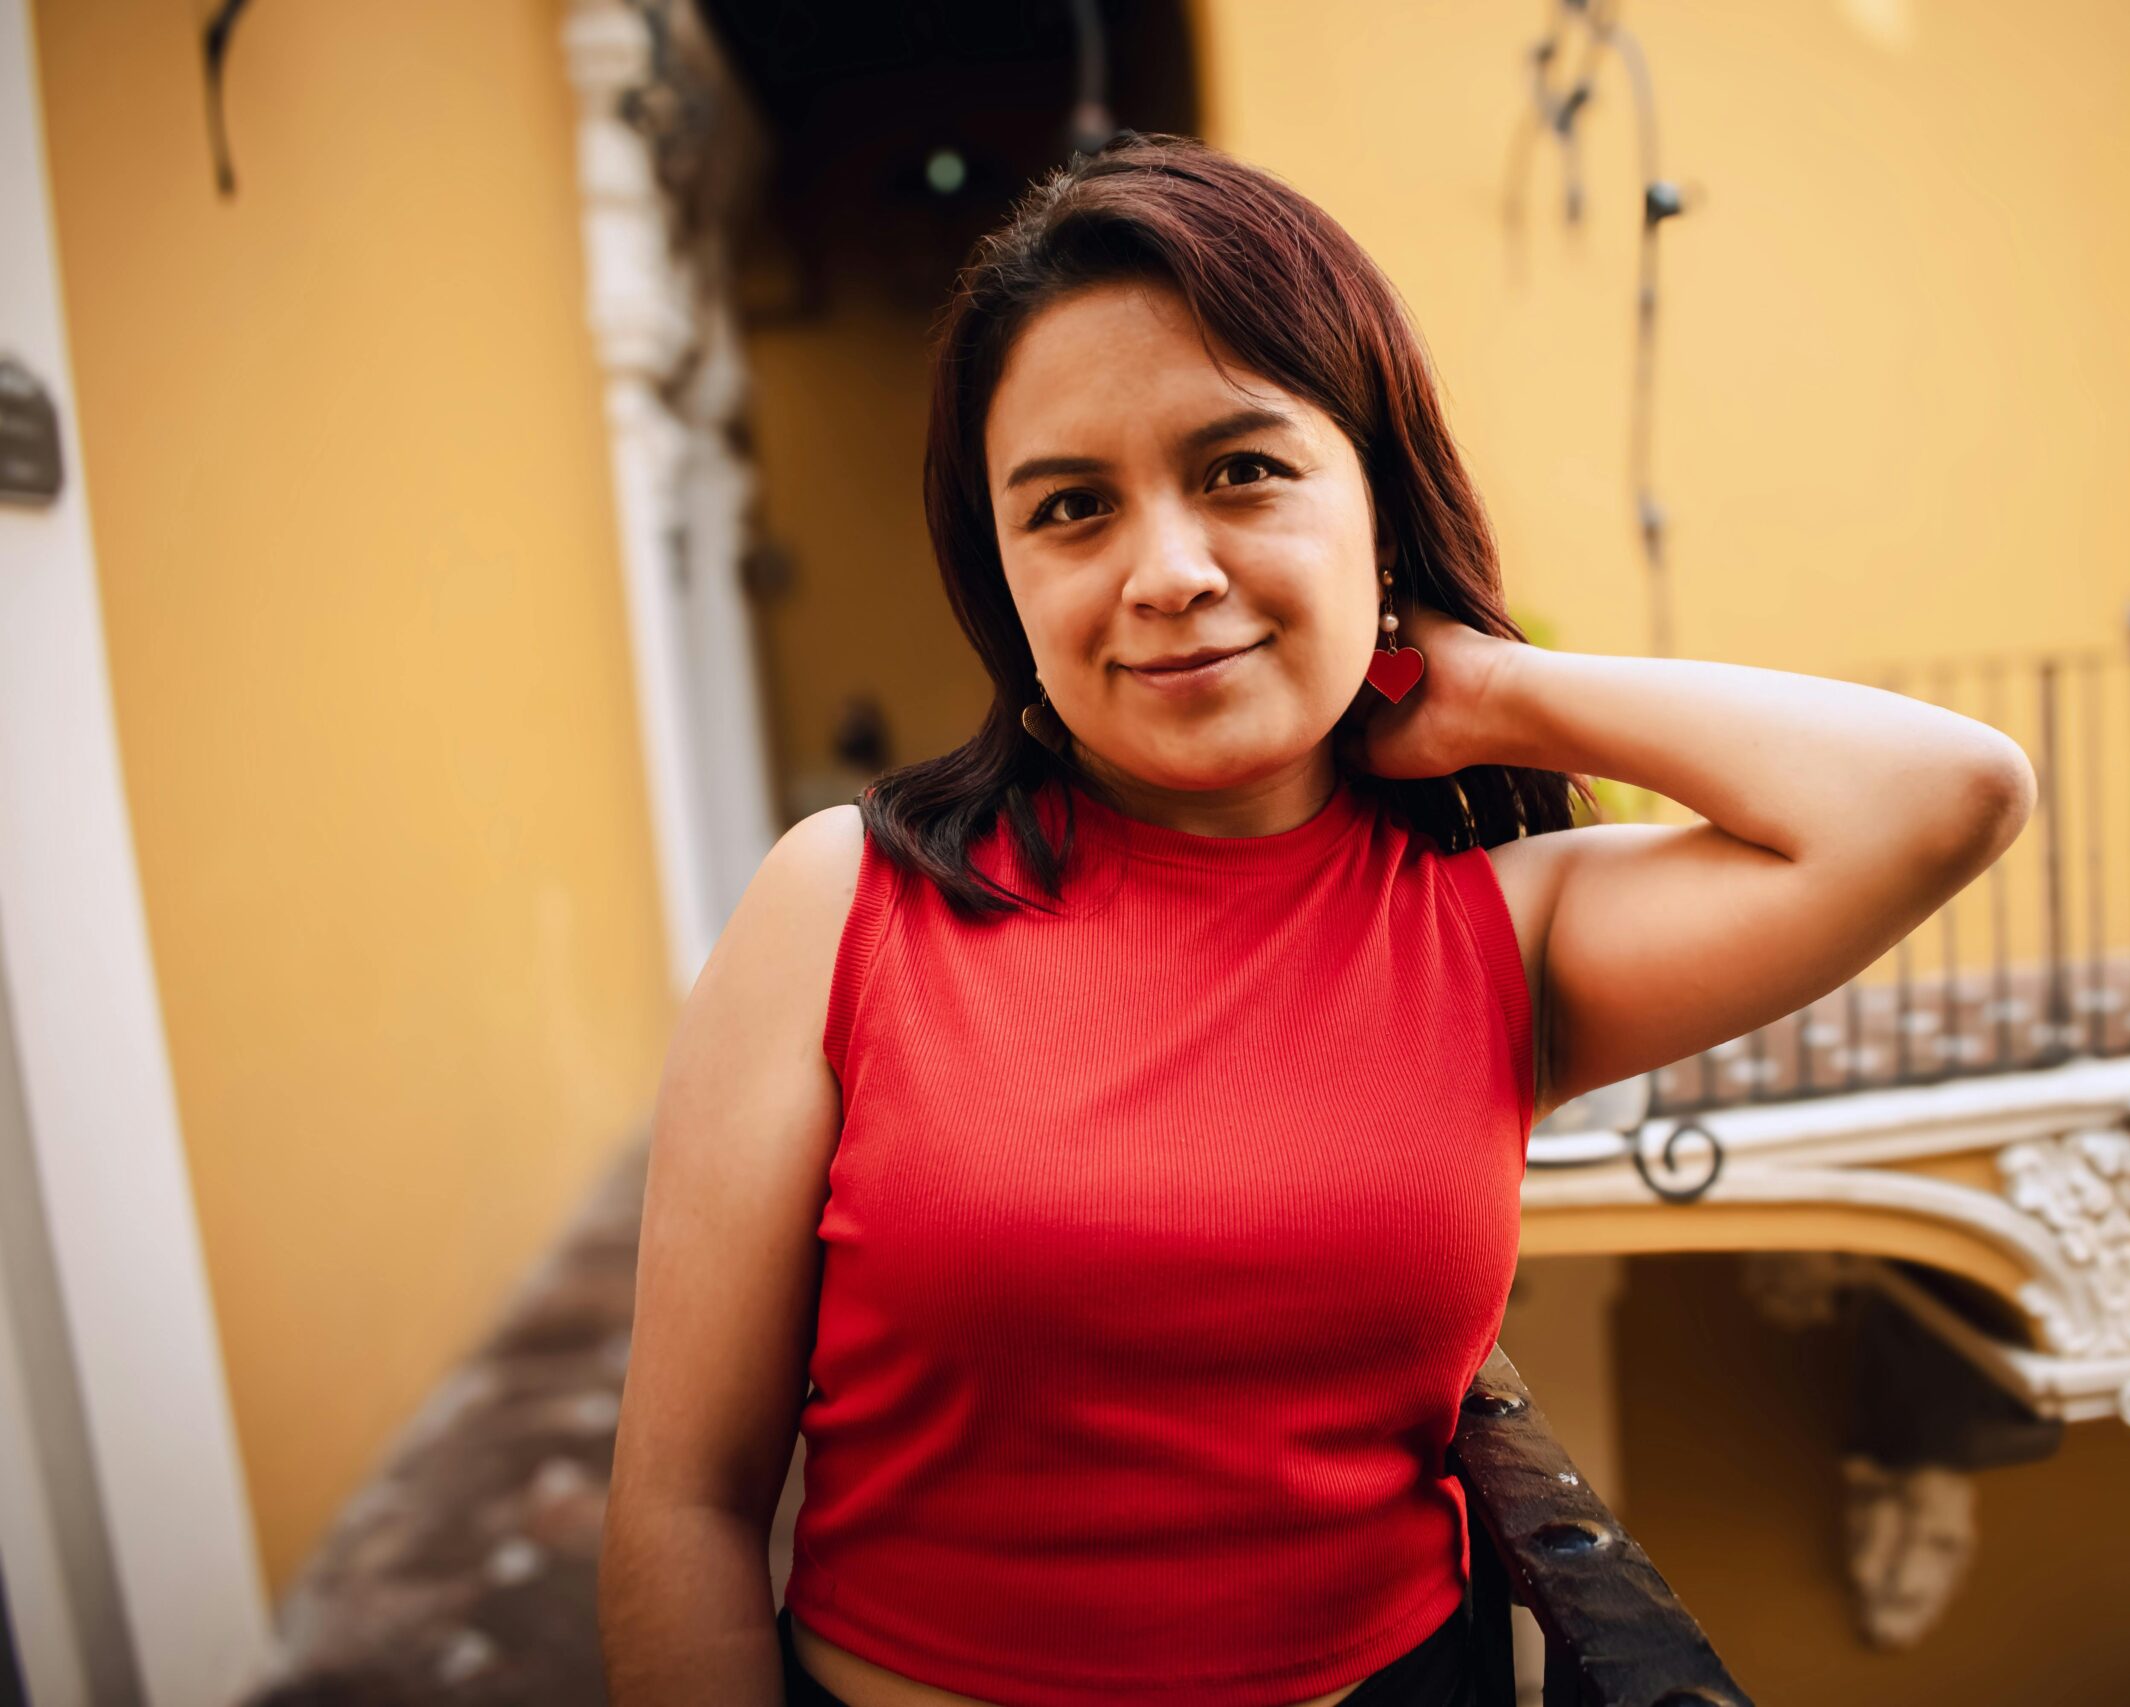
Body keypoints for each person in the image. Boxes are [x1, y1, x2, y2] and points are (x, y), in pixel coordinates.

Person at [596, 132, 2033, 1707]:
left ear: (1380, 505)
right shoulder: (847, 903)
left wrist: (1488, 685)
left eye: (1242, 470)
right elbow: (685, 1505)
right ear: (1002, 577)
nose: (1168, 572)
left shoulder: (1498, 933)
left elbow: (1945, 794)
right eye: (1073, 507)